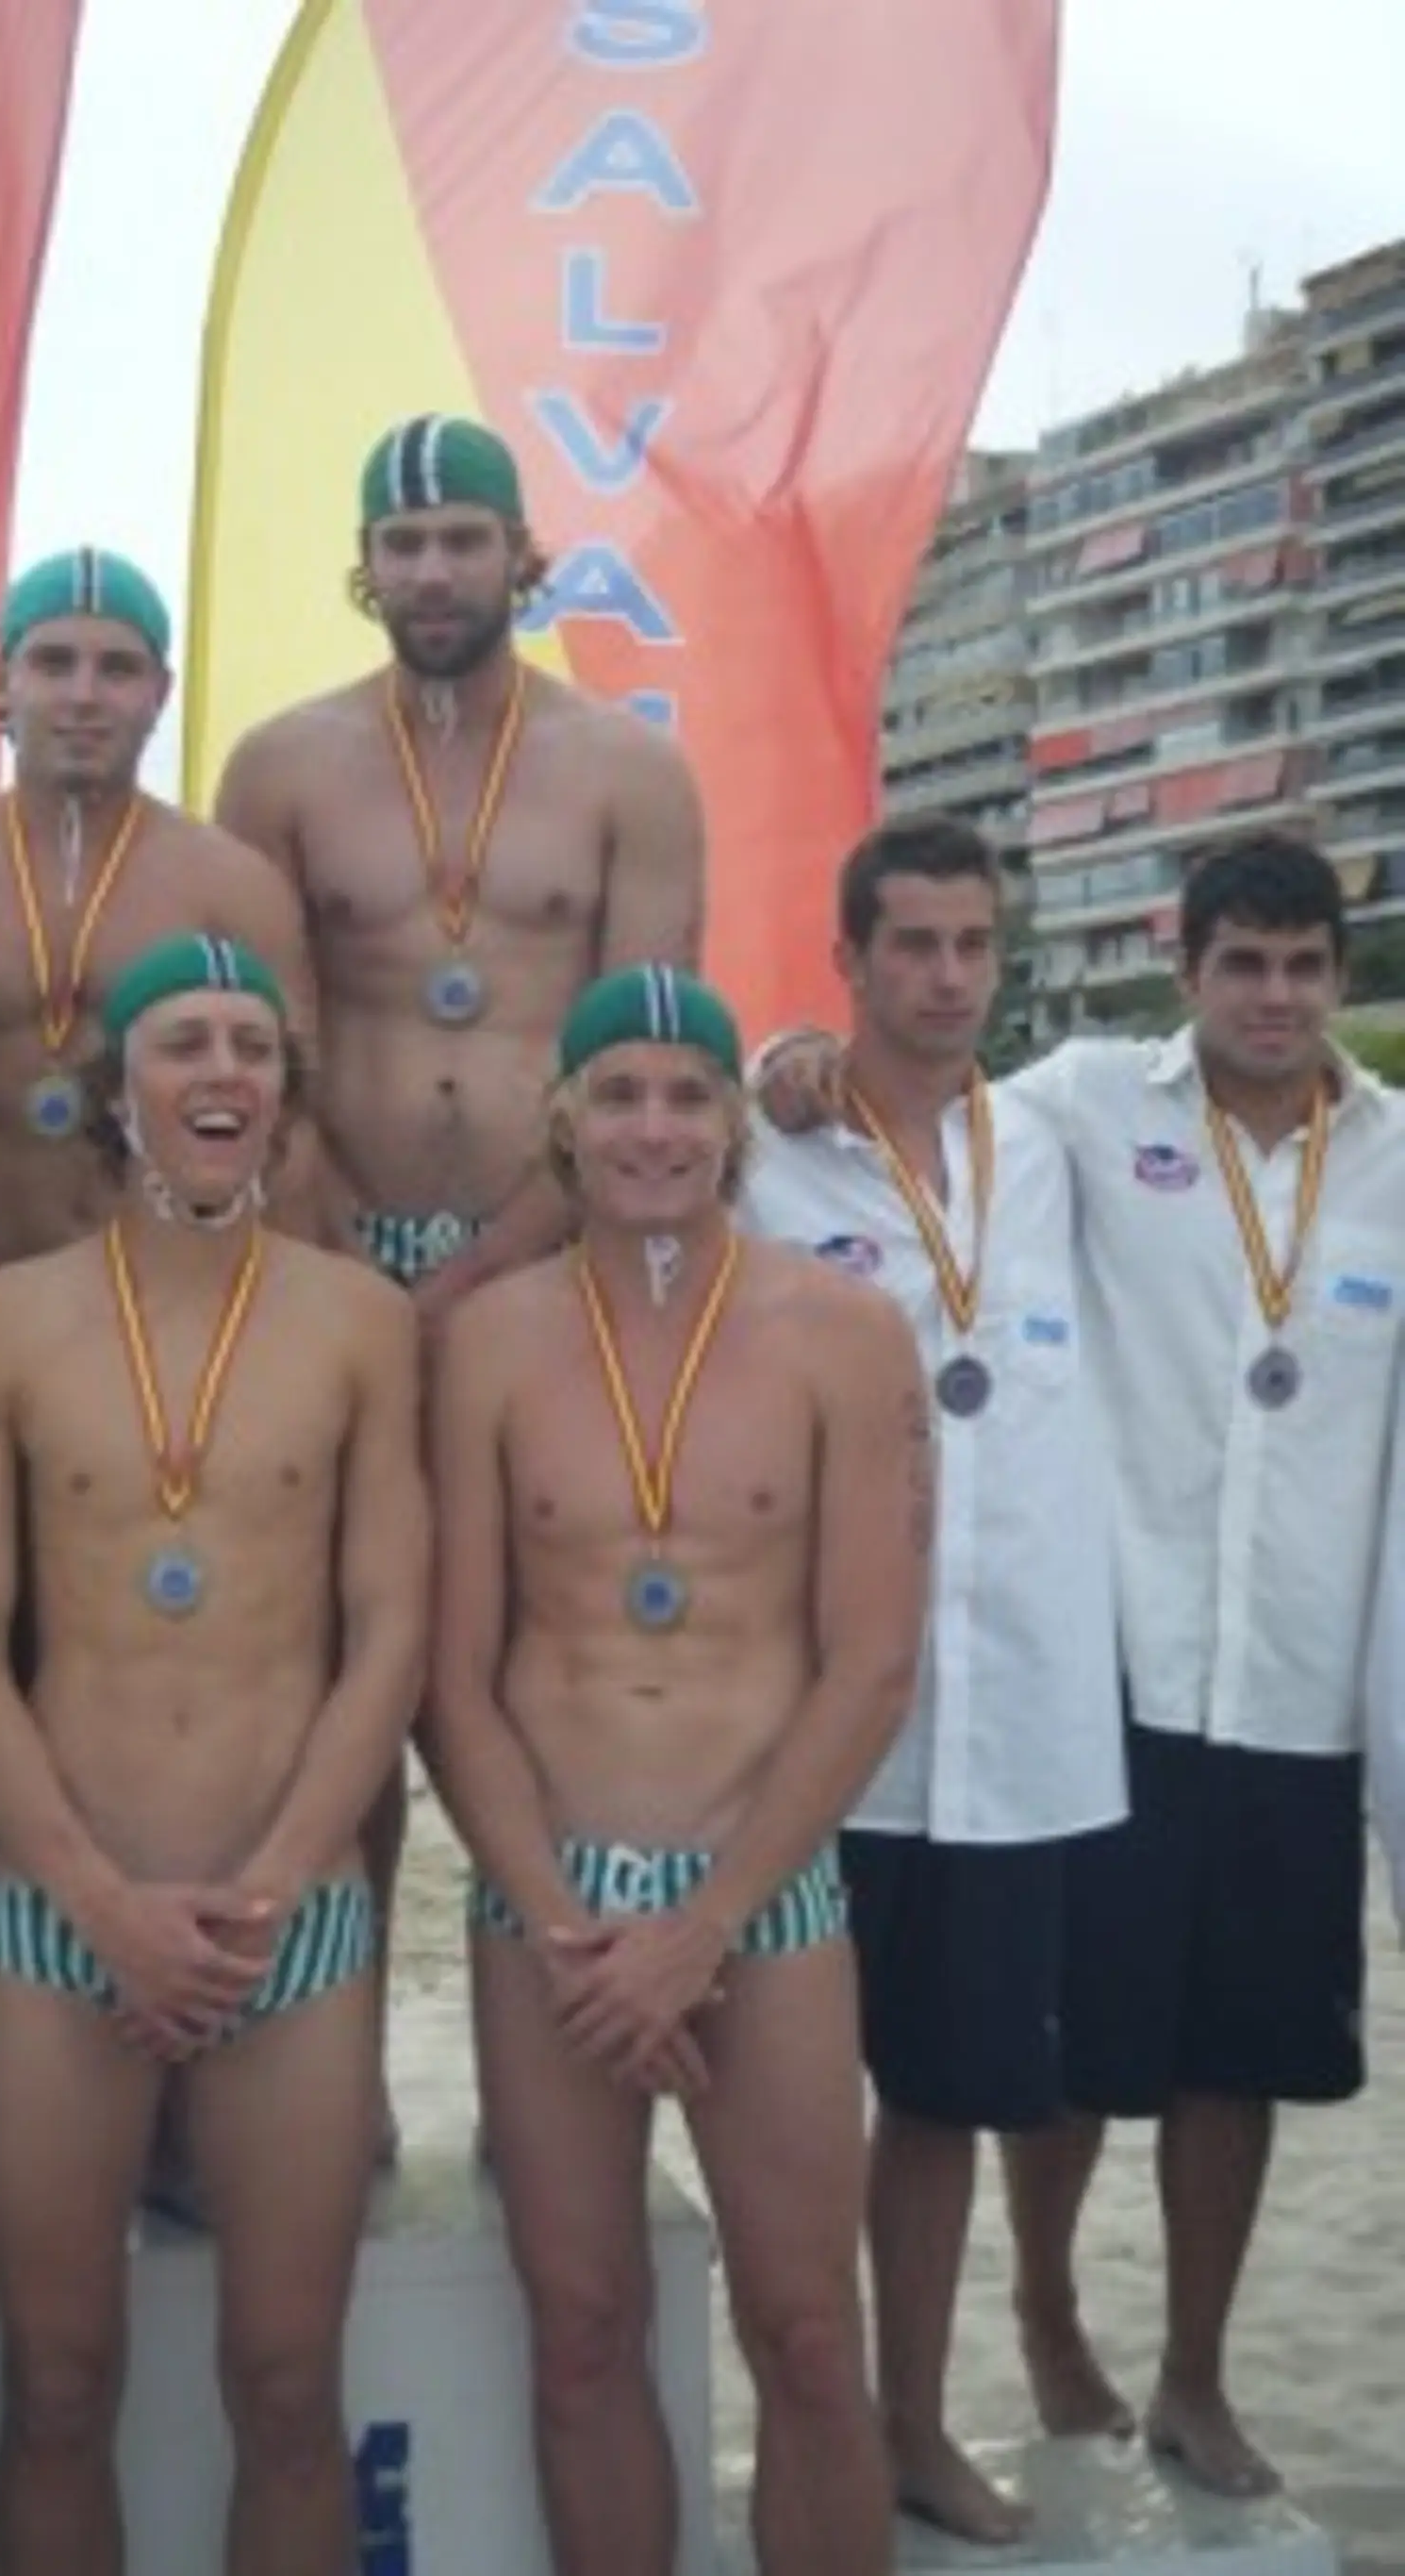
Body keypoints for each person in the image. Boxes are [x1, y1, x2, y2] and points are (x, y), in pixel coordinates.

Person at [753, 829, 1405, 2499]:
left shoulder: (1396, 1153)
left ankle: (1190, 2374)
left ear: (1335, 976)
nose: (1271, 995)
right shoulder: (1085, 1106)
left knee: (1236, 2052)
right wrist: (781, 1060)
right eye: (1239, 963)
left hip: (1292, 1668)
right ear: (1179, 969)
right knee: (1059, 2048)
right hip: (1104, 1665)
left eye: (1301, 965)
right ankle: (1042, 2316)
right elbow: (860, 1084)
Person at [0, 933, 429, 2576]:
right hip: (60, 1922)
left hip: (295, 1924)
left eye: (250, 1049)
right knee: (60, 2385)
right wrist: (97, 1896)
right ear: (116, 1087)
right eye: (183, 1046)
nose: (220, 1075)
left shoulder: (361, 1322)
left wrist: (273, 1883)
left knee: (287, 2385)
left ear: (285, 1093)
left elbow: (387, 1636)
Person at [215, 416, 707, 2104]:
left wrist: (495, 1257)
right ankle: (314, 2086)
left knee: (539, 1651)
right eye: (404, 540)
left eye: (461, 538)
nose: (432, 570)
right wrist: (352, 1255)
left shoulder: (625, 771)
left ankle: (558, 2074)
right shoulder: (279, 767)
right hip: (330, 1241)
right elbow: (260, 1045)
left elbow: (635, 1055)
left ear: (523, 559)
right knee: (325, 1649)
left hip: (546, 1255)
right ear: (366, 564)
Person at [426, 963, 930, 2576]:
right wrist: (564, 1920)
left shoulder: (840, 1335)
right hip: (550, 1906)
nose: (655, 1127)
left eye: (688, 1095)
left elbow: (867, 1663)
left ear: (734, 1121)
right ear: (560, 1120)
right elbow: (453, 1673)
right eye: (621, 1093)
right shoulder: (488, 1343)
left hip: (761, 1899)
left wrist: (705, 1917)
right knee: (579, 2331)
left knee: (801, 2333)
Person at [738, 817, 1124, 2544]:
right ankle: (809, 2427)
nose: (947, 977)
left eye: (973, 944)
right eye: (911, 944)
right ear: (849, 956)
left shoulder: (1054, 1138)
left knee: (950, 2100)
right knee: (798, 2108)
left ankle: (908, 2420)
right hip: (820, 1724)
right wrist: (767, 1062)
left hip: (1015, 1713)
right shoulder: (766, 1145)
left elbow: (1242, 1074)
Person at [0, 551, 319, 1279]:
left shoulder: (231, 886)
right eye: (54, 663)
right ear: (1, 682)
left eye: (118, 669)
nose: (84, 694)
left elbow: (292, 1129)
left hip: (177, 1298)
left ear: (160, 693)